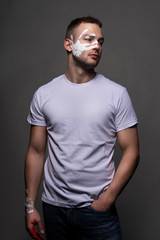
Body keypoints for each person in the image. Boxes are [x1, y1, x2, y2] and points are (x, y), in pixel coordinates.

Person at [25, 16, 140, 240]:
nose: (97, 45)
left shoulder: (116, 94)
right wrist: (30, 206)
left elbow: (132, 152)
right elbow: (36, 151)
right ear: (69, 44)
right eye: (89, 39)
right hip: (54, 209)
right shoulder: (44, 94)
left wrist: (107, 200)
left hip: (97, 213)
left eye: (101, 41)